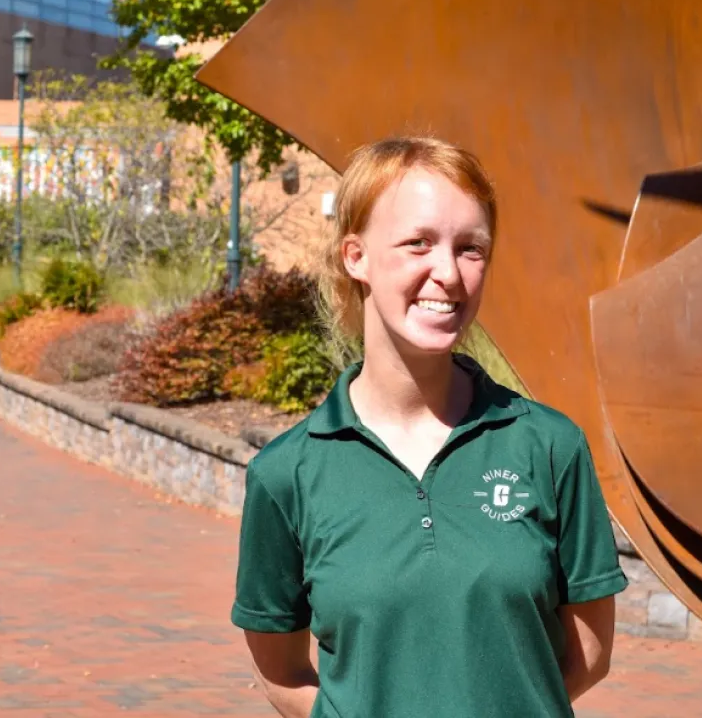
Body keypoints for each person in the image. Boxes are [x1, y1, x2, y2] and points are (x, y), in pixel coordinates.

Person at [231, 136, 628, 717]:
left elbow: (589, 657)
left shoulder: (549, 446)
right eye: (419, 243)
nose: (448, 273)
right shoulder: (287, 475)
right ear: (355, 256)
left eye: (471, 248)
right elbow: (281, 673)